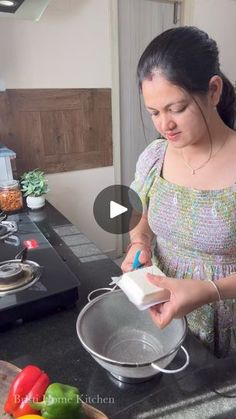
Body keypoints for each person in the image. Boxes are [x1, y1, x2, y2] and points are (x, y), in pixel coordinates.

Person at [121, 26, 236, 358]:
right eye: (154, 113)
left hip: (225, 328)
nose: (164, 125)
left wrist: (210, 290)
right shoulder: (155, 156)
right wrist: (139, 242)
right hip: (164, 315)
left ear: (213, 90)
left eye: (177, 108)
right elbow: (136, 207)